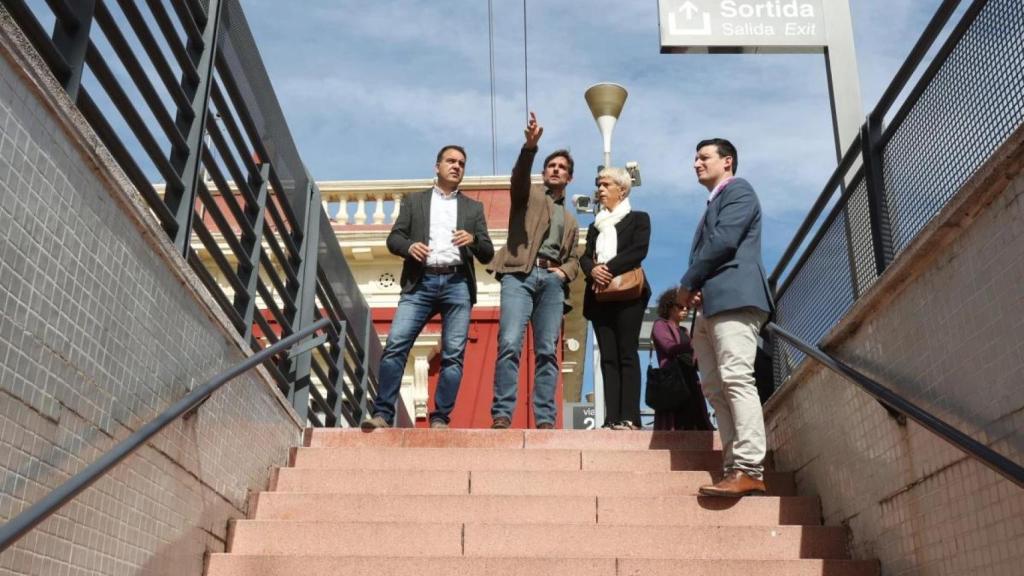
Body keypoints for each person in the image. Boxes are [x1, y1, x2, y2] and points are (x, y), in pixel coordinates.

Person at [362, 145, 494, 430]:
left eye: (461, 163)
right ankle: (383, 413)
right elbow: (393, 238)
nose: (456, 166)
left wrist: (472, 239)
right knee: (396, 345)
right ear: (437, 166)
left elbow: (488, 252)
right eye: (450, 161)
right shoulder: (415, 202)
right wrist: (410, 247)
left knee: (453, 355)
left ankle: (440, 418)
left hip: (458, 283)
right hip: (419, 282)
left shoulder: (473, 208)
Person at [677, 138, 774, 496]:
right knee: (716, 389)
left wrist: (688, 283)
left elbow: (724, 241)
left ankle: (749, 466)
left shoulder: (740, 191)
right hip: (710, 307)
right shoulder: (713, 202)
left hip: (735, 299)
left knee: (736, 377)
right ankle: (734, 465)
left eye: (704, 157)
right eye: (695, 157)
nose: (696, 164)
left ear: (727, 161)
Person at [488, 112, 581, 429]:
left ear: (569, 178)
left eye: (562, 168)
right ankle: (502, 414)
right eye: (552, 166)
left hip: (552, 284)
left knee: (547, 352)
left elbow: (575, 258)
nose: (556, 170)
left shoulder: (570, 221)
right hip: (519, 275)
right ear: (544, 172)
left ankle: (545, 420)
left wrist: (563, 272)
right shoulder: (527, 196)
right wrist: (530, 147)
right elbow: (518, 177)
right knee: (510, 344)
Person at [580, 167, 651, 430]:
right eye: (598, 184)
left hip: (629, 294)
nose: (600, 189)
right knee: (607, 357)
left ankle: (631, 417)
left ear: (622, 189)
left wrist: (607, 269)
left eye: (605, 184)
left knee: (627, 353)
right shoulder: (594, 226)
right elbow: (585, 256)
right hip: (599, 297)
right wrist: (593, 269)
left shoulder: (639, 219)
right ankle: (611, 418)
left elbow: (638, 251)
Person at [651, 288, 712, 431]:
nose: (685, 310)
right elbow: (669, 347)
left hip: (689, 377)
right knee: (676, 419)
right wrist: (693, 343)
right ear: (669, 306)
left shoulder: (684, 331)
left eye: (687, 307)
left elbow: (692, 357)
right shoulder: (660, 325)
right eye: (680, 306)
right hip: (672, 378)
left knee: (694, 418)